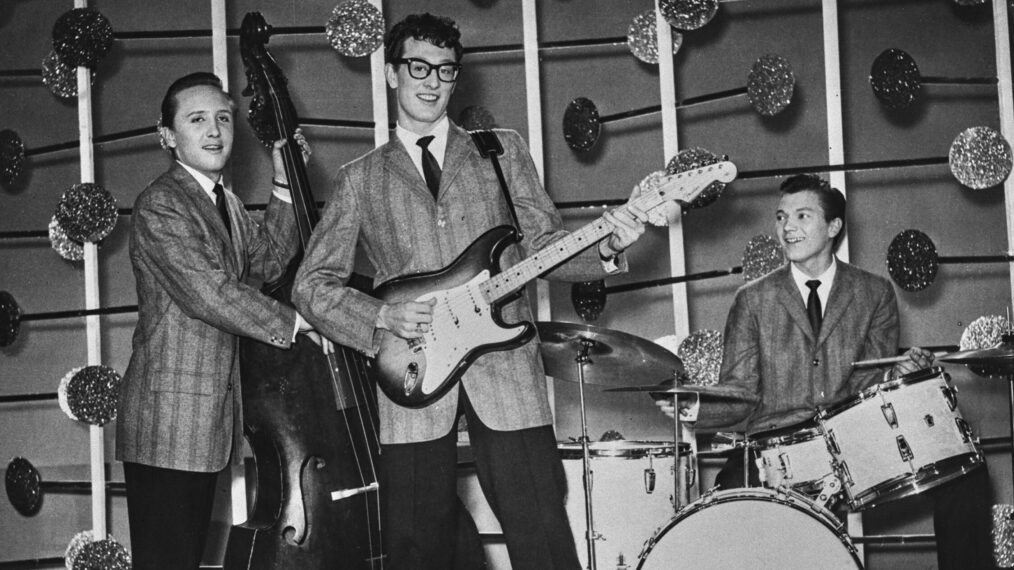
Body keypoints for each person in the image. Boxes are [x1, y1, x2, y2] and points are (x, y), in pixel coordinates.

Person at [292, 13, 648, 570]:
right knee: (415, 547)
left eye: (445, 70)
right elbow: (312, 287)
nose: (432, 82)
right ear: (391, 74)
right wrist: (382, 318)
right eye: (418, 67)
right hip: (410, 374)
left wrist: (605, 248)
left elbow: (542, 246)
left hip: (506, 374)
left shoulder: (500, 150)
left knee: (543, 537)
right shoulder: (359, 177)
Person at [658, 174, 992, 569]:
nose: (787, 228)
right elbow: (741, 391)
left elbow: (867, 385)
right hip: (775, 445)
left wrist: (898, 376)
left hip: (852, 441)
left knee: (965, 474)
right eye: (781, 217)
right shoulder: (751, 300)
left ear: (833, 227)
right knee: (732, 495)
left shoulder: (874, 292)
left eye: (802, 216)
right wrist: (695, 408)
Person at [116, 72, 328, 570]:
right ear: (166, 136)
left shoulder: (224, 203)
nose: (214, 130)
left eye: (223, 118)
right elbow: (210, 294)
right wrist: (299, 323)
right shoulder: (162, 204)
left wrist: (282, 180)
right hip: (167, 426)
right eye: (196, 120)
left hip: (202, 426)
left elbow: (271, 261)